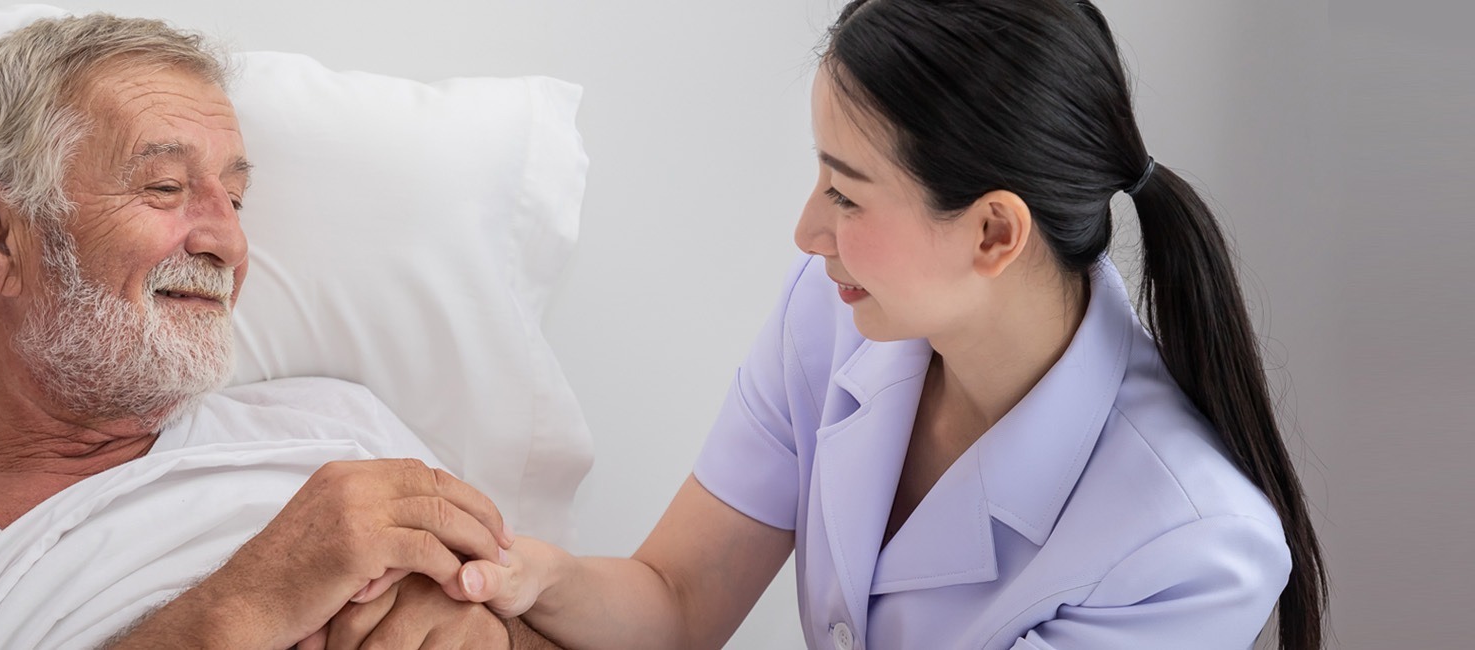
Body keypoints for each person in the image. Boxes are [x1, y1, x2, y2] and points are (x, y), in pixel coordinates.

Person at [451, 1, 1328, 648]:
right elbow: (676, 599)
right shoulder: (832, 312)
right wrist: (538, 582)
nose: (807, 232)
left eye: (845, 194)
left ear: (993, 233)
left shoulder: (1193, 549)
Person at [0, 14, 549, 649]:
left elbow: (540, 606)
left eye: (235, 198)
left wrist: (490, 635)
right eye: (164, 187)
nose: (228, 242)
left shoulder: (337, 430)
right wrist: (244, 606)